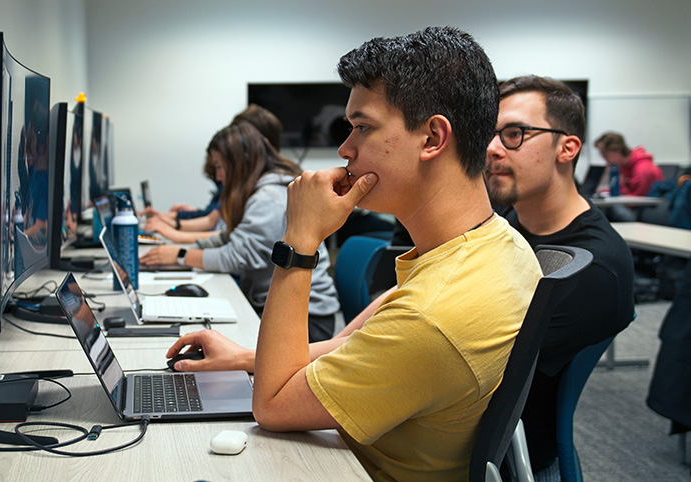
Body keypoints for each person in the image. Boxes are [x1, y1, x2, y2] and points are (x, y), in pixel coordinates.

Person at [164, 27, 543, 481]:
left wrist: (301, 241)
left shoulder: (431, 316)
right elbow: (354, 345)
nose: (345, 149)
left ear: (432, 139)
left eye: (362, 127)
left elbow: (272, 403)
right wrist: (246, 356)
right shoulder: (499, 244)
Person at [485, 75, 635, 481]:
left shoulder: (593, 267)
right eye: (489, 133)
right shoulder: (509, 224)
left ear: (567, 148)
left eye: (514, 133)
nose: (492, 148)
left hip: (507, 460)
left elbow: (478, 363)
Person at [140, 121, 340, 342]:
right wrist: (178, 253)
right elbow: (230, 238)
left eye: (219, 166)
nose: (218, 176)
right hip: (284, 309)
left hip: (307, 320)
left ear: (239, 163)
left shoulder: (269, 198)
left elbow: (236, 257)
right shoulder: (260, 191)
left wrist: (181, 256)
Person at [142, 104, 284, 243]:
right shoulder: (248, 185)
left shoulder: (267, 195)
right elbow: (222, 227)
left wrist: (178, 241)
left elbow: (229, 239)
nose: (219, 176)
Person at [594, 131, 663, 196]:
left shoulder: (642, 169)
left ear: (616, 151)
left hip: (643, 207)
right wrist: (607, 191)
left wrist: (621, 185)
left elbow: (636, 201)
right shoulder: (624, 166)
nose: (603, 158)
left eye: (605, 154)